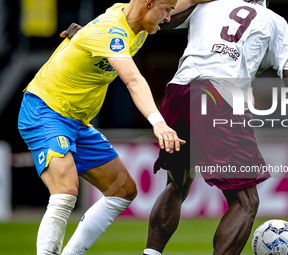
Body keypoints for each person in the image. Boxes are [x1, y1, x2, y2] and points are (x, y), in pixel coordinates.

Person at [64, 0, 288, 254]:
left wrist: (89, 32)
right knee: (246, 201)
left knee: (177, 184)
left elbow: (151, 20)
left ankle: (151, 254)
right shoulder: (275, 22)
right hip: (218, 96)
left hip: (178, 92)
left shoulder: (208, 5)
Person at [17, 0, 208, 254]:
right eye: (167, 10)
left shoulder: (132, 18)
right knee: (65, 192)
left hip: (77, 121)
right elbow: (133, 80)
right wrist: (158, 122)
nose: (168, 18)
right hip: (44, 110)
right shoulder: (113, 32)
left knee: (122, 190)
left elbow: (190, 0)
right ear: (149, 3)